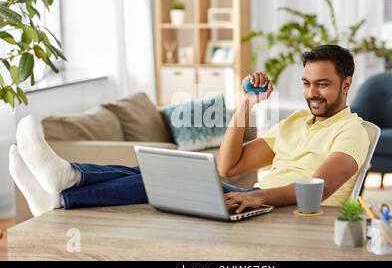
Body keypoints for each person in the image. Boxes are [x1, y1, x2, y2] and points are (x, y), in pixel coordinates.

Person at [9, 44, 369, 217]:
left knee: (161, 181)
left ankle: (69, 182)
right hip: (257, 202)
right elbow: (232, 166)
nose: (311, 93)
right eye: (307, 83)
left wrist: (258, 197)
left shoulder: (352, 131)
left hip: (286, 214)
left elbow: (317, 190)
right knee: (152, 174)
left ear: (346, 84)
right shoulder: (294, 123)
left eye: (322, 84)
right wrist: (244, 105)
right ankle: (63, 191)